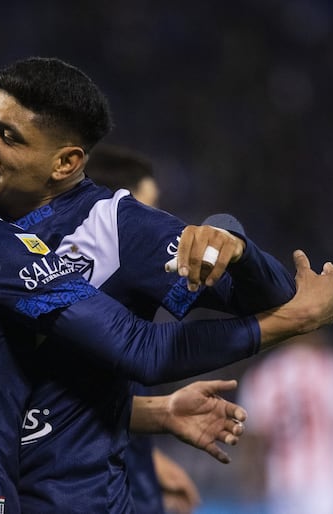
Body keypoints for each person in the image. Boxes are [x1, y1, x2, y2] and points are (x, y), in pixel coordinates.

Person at [0, 48, 333, 513]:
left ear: (65, 162)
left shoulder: (115, 227)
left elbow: (270, 296)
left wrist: (234, 243)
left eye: (6, 135)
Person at [87, 142, 200, 514]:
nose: (158, 224)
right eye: (148, 210)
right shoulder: (75, 310)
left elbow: (110, 410)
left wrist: (150, 461)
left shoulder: (120, 306)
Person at [237, 330, 333, 514]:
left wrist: (250, 480)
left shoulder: (260, 375)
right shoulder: (329, 365)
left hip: (282, 482)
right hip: (327, 481)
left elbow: (252, 436)